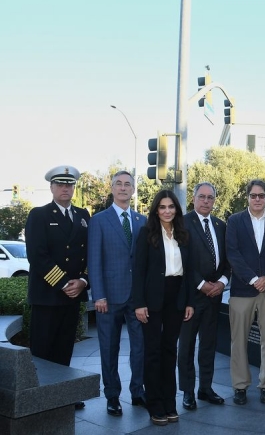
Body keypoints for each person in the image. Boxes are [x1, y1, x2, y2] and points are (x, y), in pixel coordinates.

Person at [24, 165, 91, 409]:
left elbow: (90, 253)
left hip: (73, 295)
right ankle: (41, 398)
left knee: (64, 348)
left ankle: (62, 395)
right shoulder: (39, 215)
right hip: (47, 295)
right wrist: (63, 283)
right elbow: (37, 256)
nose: (65, 188)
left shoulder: (83, 215)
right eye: (60, 184)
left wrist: (83, 281)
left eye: (69, 184)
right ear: (51, 187)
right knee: (42, 350)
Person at [87, 170, 147, 416]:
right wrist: (98, 295)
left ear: (133, 189)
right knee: (109, 347)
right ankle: (112, 395)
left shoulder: (142, 220)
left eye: (127, 184)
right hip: (109, 298)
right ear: (112, 188)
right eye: (119, 184)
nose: (123, 188)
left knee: (140, 347)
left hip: (137, 298)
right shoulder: (99, 220)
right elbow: (94, 260)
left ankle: (138, 391)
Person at [132, 190, 194, 426]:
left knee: (170, 350)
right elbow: (138, 271)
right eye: (162, 207)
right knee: (153, 351)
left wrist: (189, 302)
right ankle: (155, 404)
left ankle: (169, 402)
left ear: (176, 209)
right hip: (152, 298)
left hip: (177, 297)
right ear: (156, 210)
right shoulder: (146, 233)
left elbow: (189, 271)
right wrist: (139, 303)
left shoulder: (183, 235)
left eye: (171, 207)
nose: (167, 211)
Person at [226, 179, 265, 406]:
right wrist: (252, 279)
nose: (257, 199)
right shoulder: (235, 220)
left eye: (261, 195)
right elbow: (232, 253)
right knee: (238, 341)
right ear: (247, 197)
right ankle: (240, 386)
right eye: (253, 195)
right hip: (242, 290)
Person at [179, 182, 230, 410]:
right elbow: (182, 260)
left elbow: (228, 260)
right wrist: (201, 284)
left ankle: (205, 388)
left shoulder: (221, 225)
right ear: (194, 198)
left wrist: (222, 282)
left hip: (215, 296)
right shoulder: (182, 223)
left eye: (210, 197)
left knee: (209, 344)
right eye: (202, 197)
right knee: (187, 346)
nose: (206, 201)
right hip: (191, 296)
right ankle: (187, 391)